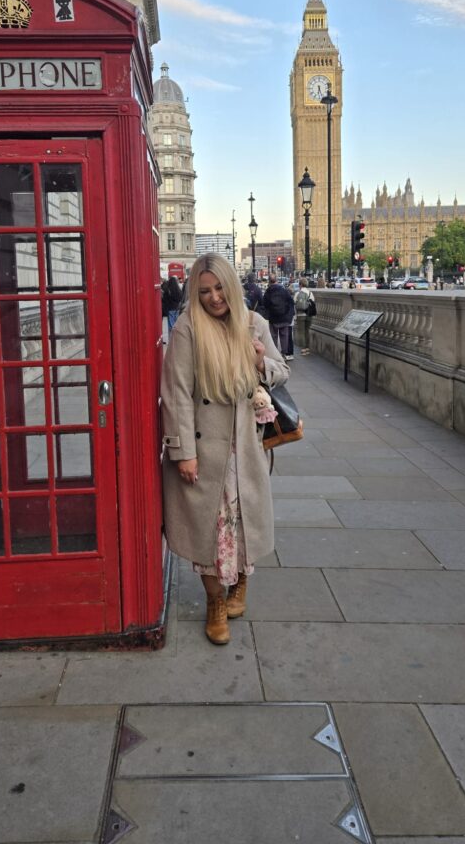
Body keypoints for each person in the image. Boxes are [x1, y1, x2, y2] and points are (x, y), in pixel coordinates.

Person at [161, 253, 289, 645]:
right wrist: (183, 452)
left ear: (231, 286)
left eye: (219, 288)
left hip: (245, 447)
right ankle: (215, 601)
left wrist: (259, 361)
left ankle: (241, 587)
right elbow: (177, 395)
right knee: (208, 532)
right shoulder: (188, 330)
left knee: (244, 525)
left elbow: (282, 370)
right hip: (206, 449)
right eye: (204, 291)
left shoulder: (254, 324)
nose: (214, 297)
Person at [263, 273, 296, 360]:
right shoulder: (284, 290)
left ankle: (274, 354)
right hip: (284, 318)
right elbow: (291, 302)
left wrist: (267, 315)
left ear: (269, 281)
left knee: (273, 336)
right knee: (284, 336)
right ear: (276, 280)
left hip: (273, 318)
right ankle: (284, 353)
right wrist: (289, 315)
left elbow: (264, 304)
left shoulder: (268, 292)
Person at [293, 277, 315, 356]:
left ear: (300, 285)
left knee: (301, 332)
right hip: (308, 315)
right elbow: (313, 303)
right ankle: (307, 348)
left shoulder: (297, 293)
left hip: (300, 315)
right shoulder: (310, 293)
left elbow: (294, 303)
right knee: (307, 331)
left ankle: (303, 349)